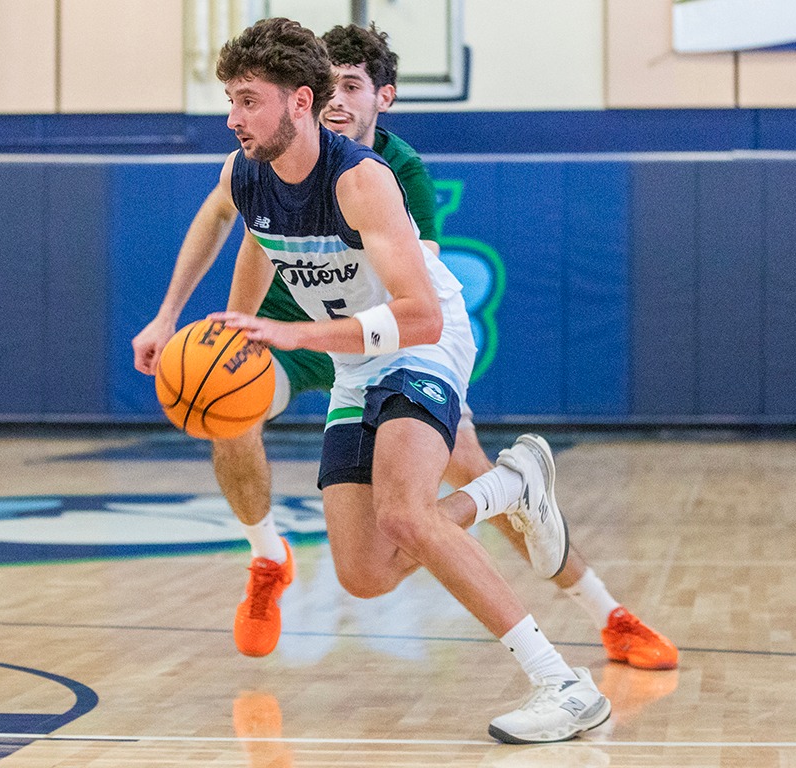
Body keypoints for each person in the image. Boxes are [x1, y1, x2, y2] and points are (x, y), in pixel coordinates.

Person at [132, 22, 678, 673]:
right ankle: (266, 557)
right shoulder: (262, 163)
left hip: (386, 335)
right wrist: (205, 323)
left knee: (451, 478)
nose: (335, 98)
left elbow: (415, 310)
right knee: (226, 408)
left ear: (379, 97)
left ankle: (603, 610)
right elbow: (242, 222)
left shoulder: (390, 177)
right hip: (299, 327)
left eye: (350, 85)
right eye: (325, 81)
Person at [205, 16, 609, 743]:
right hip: (355, 357)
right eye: (230, 101)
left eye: (247, 100)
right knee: (366, 571)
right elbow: (257, 241)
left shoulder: (366, 178)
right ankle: (509, 486)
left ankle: (563, 684)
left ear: (300, 101)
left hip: (422, 339)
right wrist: (231, 332)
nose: (233, 118)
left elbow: (418, 316)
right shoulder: (252, 173)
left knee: (407, 511)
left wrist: (293, 333)